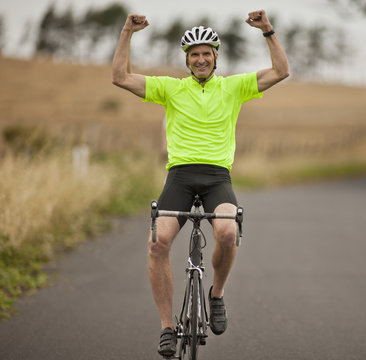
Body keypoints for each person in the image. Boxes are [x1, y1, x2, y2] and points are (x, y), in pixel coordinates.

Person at [111, 9, 289, 357]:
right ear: (187, 60)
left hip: (216, 178)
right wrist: (126, 32)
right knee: (157, 243)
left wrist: (267, 30)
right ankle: (166, 327)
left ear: (216, 57)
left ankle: (216, 295)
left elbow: (282, 71)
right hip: (179, 176)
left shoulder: (234, 87)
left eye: (207, 53)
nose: (201, 59)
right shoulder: (169, 89)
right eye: (195, 54)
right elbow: (119, 77)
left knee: (226, 230)